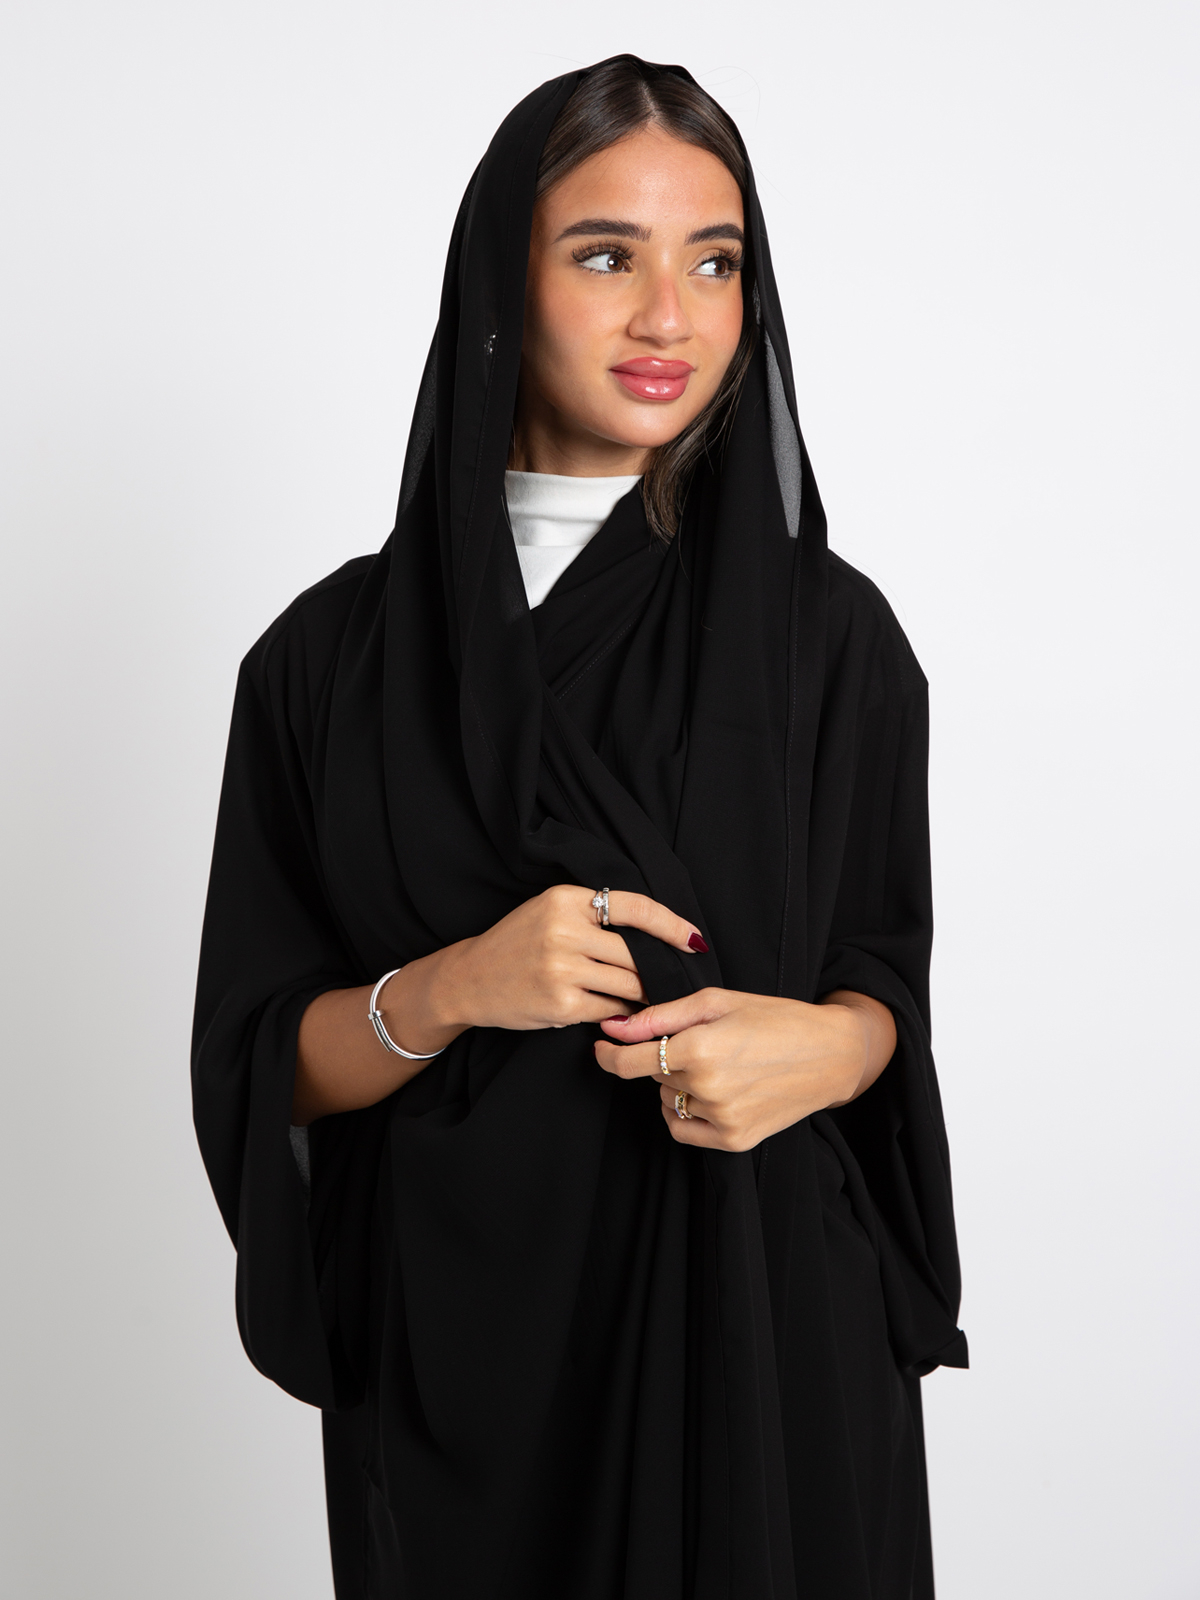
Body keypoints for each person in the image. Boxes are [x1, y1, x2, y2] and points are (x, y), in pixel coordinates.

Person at [192, 54, 966, 1600]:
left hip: (767, 1337)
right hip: (460, 1369)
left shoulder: (832, 641)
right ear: (501, 279)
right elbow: (264, 1060)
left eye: (716, 262)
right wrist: (451, 989)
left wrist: (831, 1049)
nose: (670, 315)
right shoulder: (325, 666)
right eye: (608, 255)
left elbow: (882, 967)